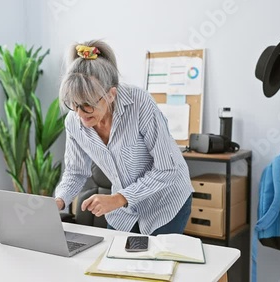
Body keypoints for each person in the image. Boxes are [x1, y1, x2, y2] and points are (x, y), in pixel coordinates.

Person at [54, 40, 194, 235]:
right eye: (73, 104)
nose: (80, 113)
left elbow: (167, 167)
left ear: (111, 94)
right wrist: (59, 200)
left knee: (154, 262)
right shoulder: (74, 121)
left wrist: (119, 198)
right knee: (114, 262)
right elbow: (76, 172)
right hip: (123, 211)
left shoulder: (139, 102)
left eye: (87, 105)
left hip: (165, 203)